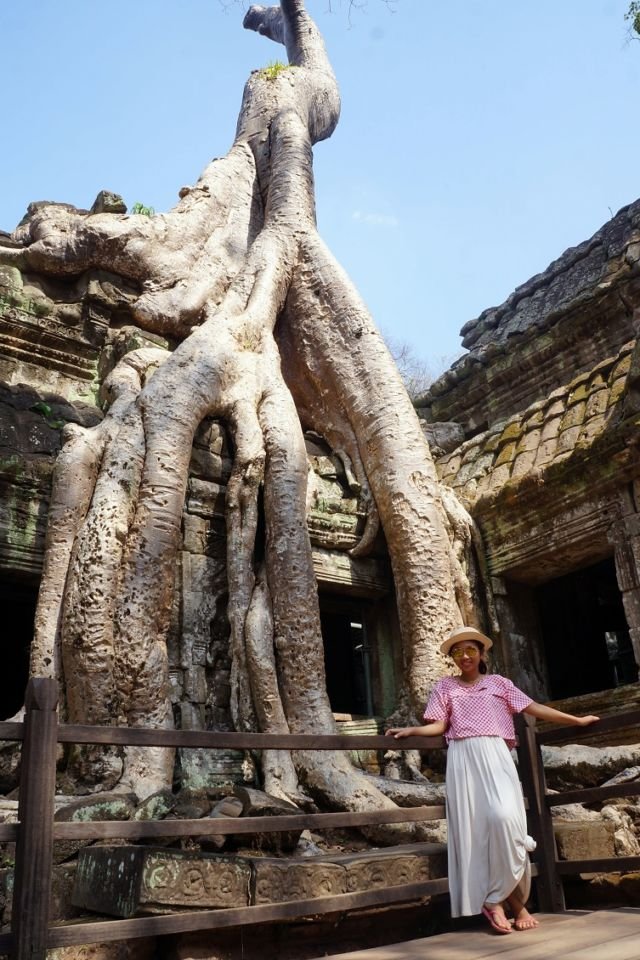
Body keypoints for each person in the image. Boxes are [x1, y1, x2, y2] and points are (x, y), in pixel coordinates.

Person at [386, 625, 599, 935]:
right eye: (458, 652)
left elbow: (532, 708)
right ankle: (503, 904)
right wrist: (412, 731)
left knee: (506, 823)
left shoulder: (499, 683)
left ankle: (499, 898)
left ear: (481, 653)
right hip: (464, 758)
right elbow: (440, 725)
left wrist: (576, 720)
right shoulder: (445, 687)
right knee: (478, 832)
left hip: (497, 756)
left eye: (470, 650)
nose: (464, 656)